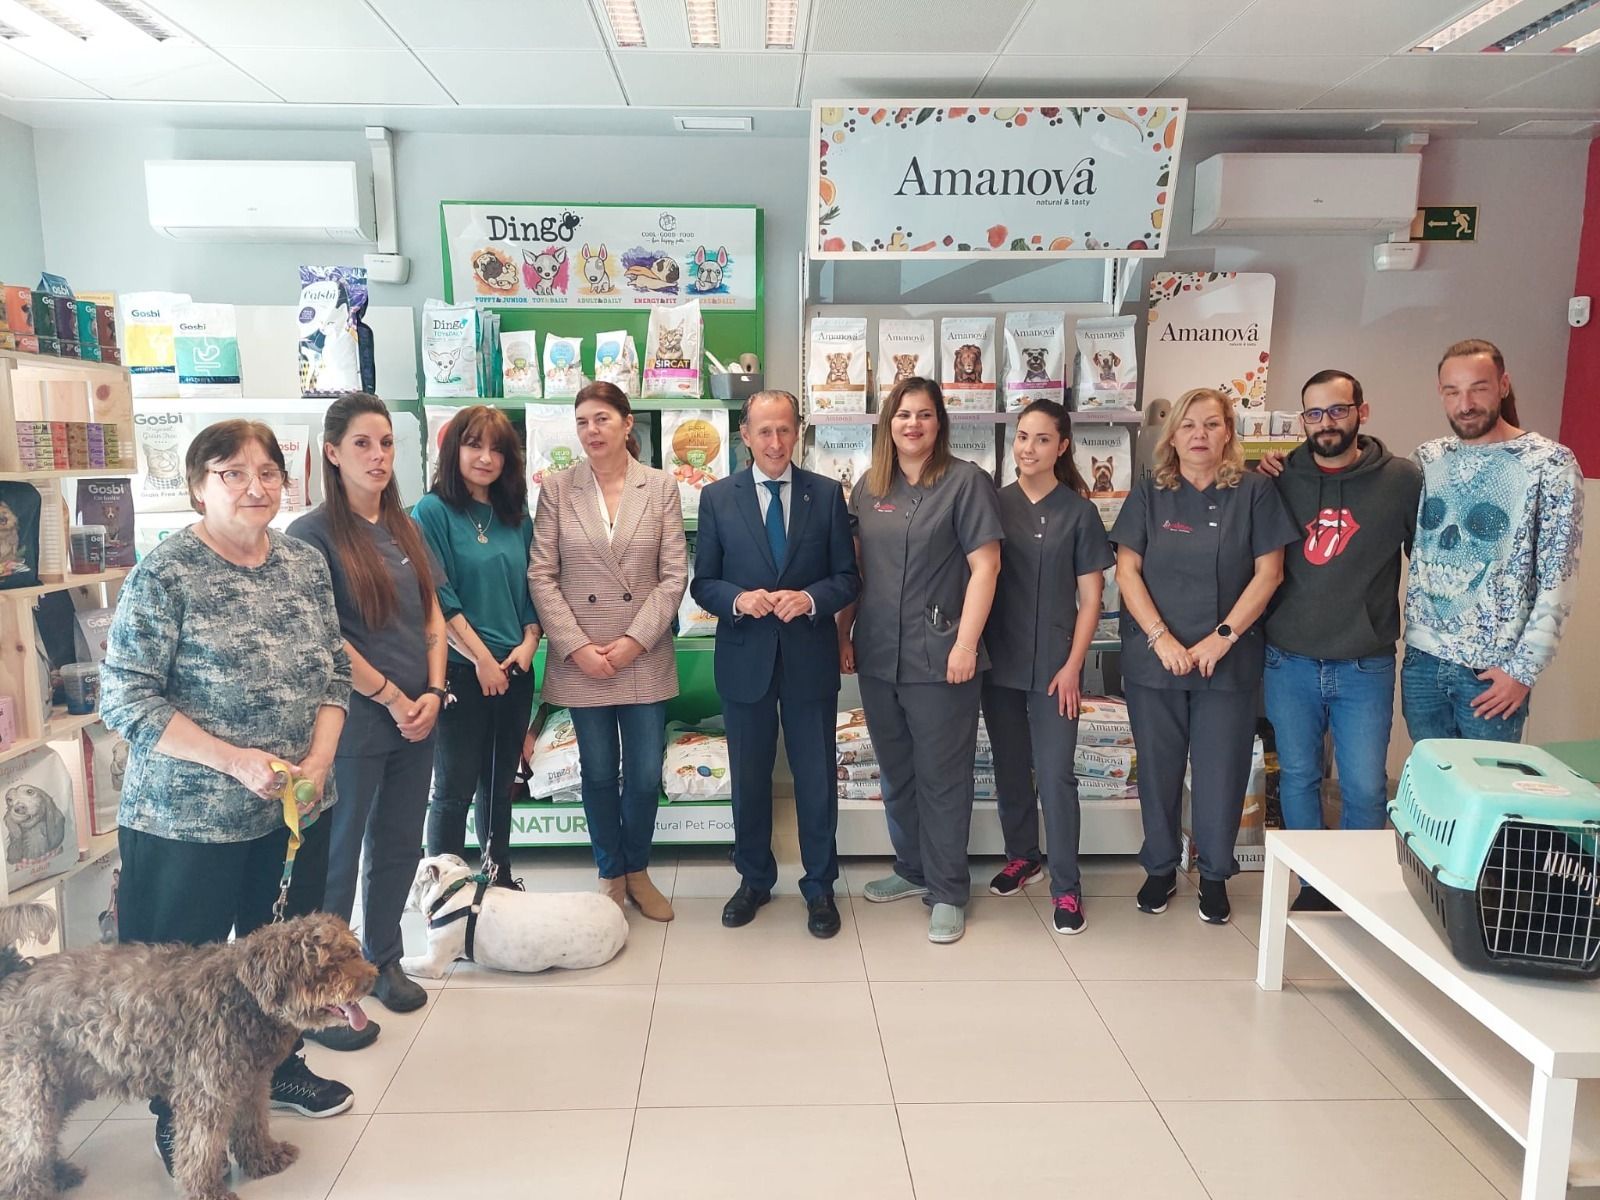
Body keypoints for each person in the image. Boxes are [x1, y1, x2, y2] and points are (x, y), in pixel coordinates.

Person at [100, 420, 355, 1173]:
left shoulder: (304, 563)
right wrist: (232, 760)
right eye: (232, 473)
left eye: (268, 472)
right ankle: (178, 1109)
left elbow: (335, 675)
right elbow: (126, 700)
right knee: (180, 979)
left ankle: (279, 1068)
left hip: (295, 809)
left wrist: (317, 760)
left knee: (285, 962)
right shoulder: (166, 573)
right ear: (198, 485)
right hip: (186, 820)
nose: (255, 487)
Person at [288, 394, 447, 1037]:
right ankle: (322, 992)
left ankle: (384, 959)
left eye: (386, 443)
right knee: (338, 852)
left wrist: (434, 692)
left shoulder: (403, 524)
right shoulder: (311, 535)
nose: (378, 456)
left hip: (419, 717)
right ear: (332, 452)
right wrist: (390, 697)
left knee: (400, 843)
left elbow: (432, 613)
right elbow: (328, 638)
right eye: (362, 444)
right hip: (351, 720)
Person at [1111, 388, 1297, 925]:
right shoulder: (1150, 494)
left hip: (1228, 660)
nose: (1199, 435)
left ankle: (1215, 875)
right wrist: (1160, 638)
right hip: (1156, 658)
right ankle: (1161, 867)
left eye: (1211, 425)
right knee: (1159, 771)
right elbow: (1127, 571)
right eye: (1189, 425)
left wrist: (1223, 636)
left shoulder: (1256, 493)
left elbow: (1270, 573)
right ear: (1173, 437)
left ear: (1228, 434)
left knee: (1222, 771)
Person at [838, 376, 1002, 945]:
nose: (914, 424)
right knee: (898, 772)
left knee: (943, 777)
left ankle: (949, 889)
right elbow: (856, 572)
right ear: (888, 422)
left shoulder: (966, 483)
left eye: (925, 415)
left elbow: (986, 568)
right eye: (904, 414)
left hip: (943, 657)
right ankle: (911, 868)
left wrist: (964, 644)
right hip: (881, 652)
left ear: (940, 423)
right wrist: (844, 633)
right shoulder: (869, 486)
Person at [690, 390, 859, 938]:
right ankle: (754, 880)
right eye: (764, 430)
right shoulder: (717, 498)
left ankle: (820, 887)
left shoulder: (828, 495)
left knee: (815, 779)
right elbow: (704, 582)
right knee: (750, 779)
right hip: (746, 659)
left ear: (798, 433)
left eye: (785, 430)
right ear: (745, 434)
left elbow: (847, 578)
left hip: (809, 657)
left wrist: (810, 599)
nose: (775, 441)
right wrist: (738, 600)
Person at [1256, 371, 1420, 913]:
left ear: (1362, 412)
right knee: (1299, 777)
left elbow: (1428, 562)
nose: (1325, 424)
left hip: (1363, 663)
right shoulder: (1279, 478)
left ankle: (1358, 892)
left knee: (1366, 787)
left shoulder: (1401, 481)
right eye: (1314, 414)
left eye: (1337, 411)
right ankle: (1313, 884)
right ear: (1302, 420)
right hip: (1290, 658)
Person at [529, 381, 687, 921]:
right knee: (596, 771)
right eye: (582, 422)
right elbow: (542, 575)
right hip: (582, 659)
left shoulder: (661, 487)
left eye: (601, 419)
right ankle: (609, 872)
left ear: (626, 423)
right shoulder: (557, 489)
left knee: (644, 772)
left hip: (640, 652)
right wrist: (575, 646)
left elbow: (673, 577)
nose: (591, 431)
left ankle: (638, 869)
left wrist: (630, 643)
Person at [1402, 339, 1583, 743]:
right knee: (1433, 789)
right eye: (1453, 391)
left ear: (1503, 385)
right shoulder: (1428, 459)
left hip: (1492, 675)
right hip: (1423, 663)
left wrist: (1522, 671)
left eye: (1478, 388)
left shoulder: (1550, 464)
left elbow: (1559, 577)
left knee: (1488, 795)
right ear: (1441, 393)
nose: (1465, 403)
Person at [980, 400, 1112, 934]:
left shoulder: (1078, 513)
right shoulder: (993, 504)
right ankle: (1022, 856)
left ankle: (1066, 887)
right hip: (1000, 662)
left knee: (1056, 775)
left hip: (1057, 668)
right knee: (1010, 767)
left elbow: (1092, 599)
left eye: (1040, 439)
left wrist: (1074, 666)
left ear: (1063, 446)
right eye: (1022, 436)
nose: (1027, 448)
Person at [414, 406, 541, 888]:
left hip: (515, 665)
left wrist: (530, 641)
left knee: (500, 780)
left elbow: (532, 587)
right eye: (474, 446)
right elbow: (438, 601)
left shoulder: (514, 515)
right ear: (453, 451)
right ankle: (441, 885)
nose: (486, 458)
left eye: (497, 449)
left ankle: (499, 874)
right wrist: (483, 661)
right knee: (453, 786)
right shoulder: (431, 513)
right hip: (462, 671)